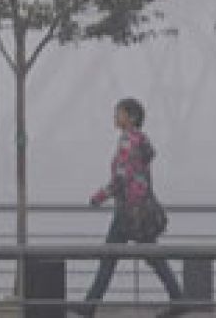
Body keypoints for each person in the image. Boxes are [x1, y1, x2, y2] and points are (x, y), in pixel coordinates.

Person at [75, 98, 186, 318]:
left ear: (131, 117)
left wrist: (98, 197)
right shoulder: (141, 141)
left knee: (109, 257)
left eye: (119, 113)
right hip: (141, 209)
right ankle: (179, 299)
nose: (115, 117)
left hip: (127, 211)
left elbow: (120, 178)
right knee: (152, 256)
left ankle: (89, 306)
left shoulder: (127, 141)